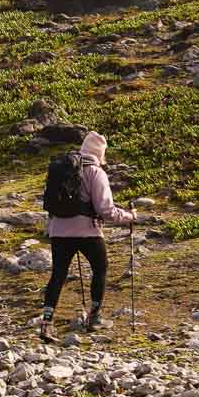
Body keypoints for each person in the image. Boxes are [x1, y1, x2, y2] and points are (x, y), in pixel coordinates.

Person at [38, 131, 137, 342]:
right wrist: (129, 217)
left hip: (59, 231)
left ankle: (46, 323)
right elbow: (106, 210)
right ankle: (94, 316)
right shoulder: (95, 172)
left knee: (58, 275)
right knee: (100, 268)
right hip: (87, 232)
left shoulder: (62, 169)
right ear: (100, 153)